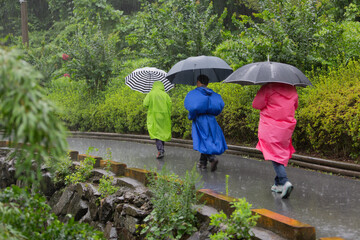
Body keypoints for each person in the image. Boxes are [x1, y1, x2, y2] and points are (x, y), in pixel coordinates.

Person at [252, 82, 298, 199]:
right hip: (286, 127)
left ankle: (284, 181)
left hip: (270, 125)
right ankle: (277, 184)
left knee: (273, 153)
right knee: (279, 152)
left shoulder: (268, 87)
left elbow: (256, 104)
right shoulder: (292, 89)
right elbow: (295, 105)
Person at [184, 75, 227, 172]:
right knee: (207, 139)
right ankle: (202, 163)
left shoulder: (194, 93)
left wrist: (191, 116)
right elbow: (220, 106)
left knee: (203, 140)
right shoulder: (212, 94)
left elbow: (193, 107)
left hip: (200, 120)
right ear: (207, 83)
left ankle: (212, 158)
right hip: (211, 119)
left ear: (198, 82)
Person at [143, 81, 172, 159]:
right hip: (164, 116)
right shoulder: (165, 95)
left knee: (157, 134)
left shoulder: (151, 94)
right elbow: (170, 104)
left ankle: (160, 150)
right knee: (162, 133)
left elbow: (145, 104)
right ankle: (161, 150)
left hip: (154, 116)